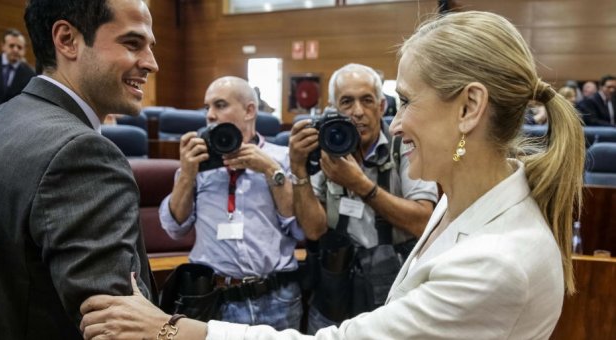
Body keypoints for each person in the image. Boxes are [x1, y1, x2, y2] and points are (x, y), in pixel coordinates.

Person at [80, 10, 584, 340]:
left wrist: (171, 330)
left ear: (470, 106)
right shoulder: (466, 201)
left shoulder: (495, 263)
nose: (396, 121)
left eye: (402, 101)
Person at [0, 0, 159, 338]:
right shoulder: (84, 155)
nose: (152, 63)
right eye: (132, 43)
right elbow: (121, 329)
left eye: (151, 46)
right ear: (67, 40)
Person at [289, 63, 438, 333]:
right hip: (336, 286)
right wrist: (299, 169)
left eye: (366, 100)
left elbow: (424, 223)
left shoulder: (405, 145)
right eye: (347, 101)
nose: (358, 111)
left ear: (381, 107)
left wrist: (360, 185)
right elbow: (313, 229)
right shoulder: (325, 148)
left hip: (393, 292)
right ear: (334, 109)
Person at [158, 76, 303, 329]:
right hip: (214, 299)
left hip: (276, 297)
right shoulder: (198, 161)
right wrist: (187, 175)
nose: (210, 115)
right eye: (207, 107)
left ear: (249, 110)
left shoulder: (281, 159)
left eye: (220, 105)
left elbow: (298, 228)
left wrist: (271, 171)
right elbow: (175, 227)